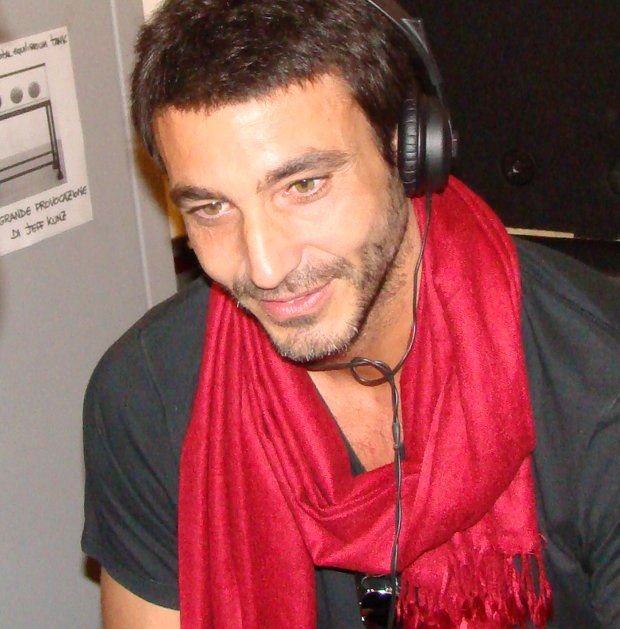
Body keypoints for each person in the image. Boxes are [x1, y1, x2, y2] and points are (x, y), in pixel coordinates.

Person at [81, 0, 620, 627]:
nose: (265, 266)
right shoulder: (146, 396)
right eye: (212, 208)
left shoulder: (597, 376)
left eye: (303, 185)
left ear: (408, 151)